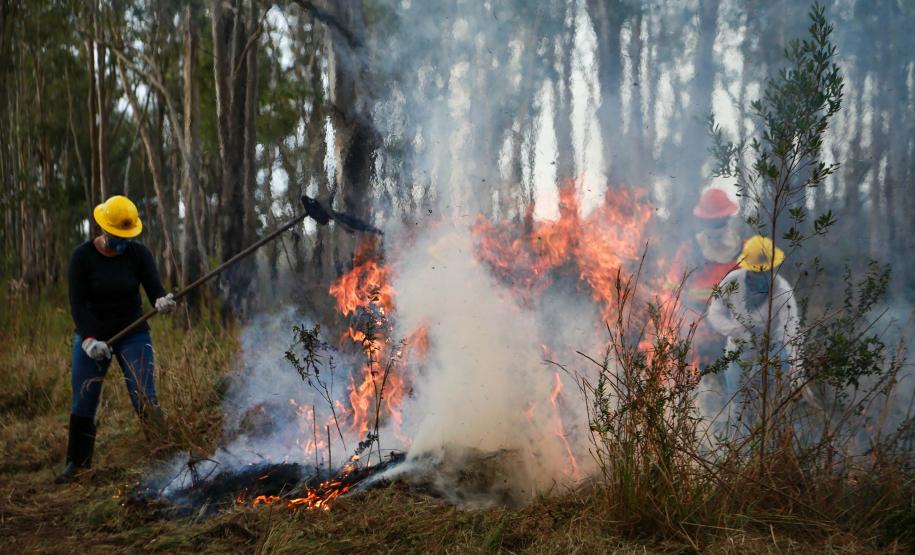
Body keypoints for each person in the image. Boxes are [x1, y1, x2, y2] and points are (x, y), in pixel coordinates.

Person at [56, 195, 177, 484]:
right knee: (84, 399)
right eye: (116, 236)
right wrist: (88, 340)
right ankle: (77, 464)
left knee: (144, 394)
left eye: (126, 236)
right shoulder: (82, 258)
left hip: (133, 332)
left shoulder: (139, 254)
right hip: (93, 334)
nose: (121, 242)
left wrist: (162, 301)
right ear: (103, 229)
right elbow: (77, 304)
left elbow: (154, 289)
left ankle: (166, 456)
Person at [706, 235, 803, 427]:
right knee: (738, 404)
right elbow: (714, 313)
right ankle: (739, 444)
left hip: (772, 351)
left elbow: (791, 331)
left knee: (771, 404)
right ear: (745, 267)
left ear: (772, 268)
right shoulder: (731, 282)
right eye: (753, 272)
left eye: (763, 272)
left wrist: (797, 372)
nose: (758, 276)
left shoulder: (782, 291)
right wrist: (735, 329)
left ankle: (771, 439)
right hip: (738, 350)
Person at [666, 187, 742, 365]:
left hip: (733, 329)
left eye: (719, 221)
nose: (715, 227)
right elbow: (670, 291)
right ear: (702, 221)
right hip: (697, 329)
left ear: (728, 218)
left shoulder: (744, 250)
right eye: (711, 222)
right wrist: (680, 321)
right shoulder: (689, 250)